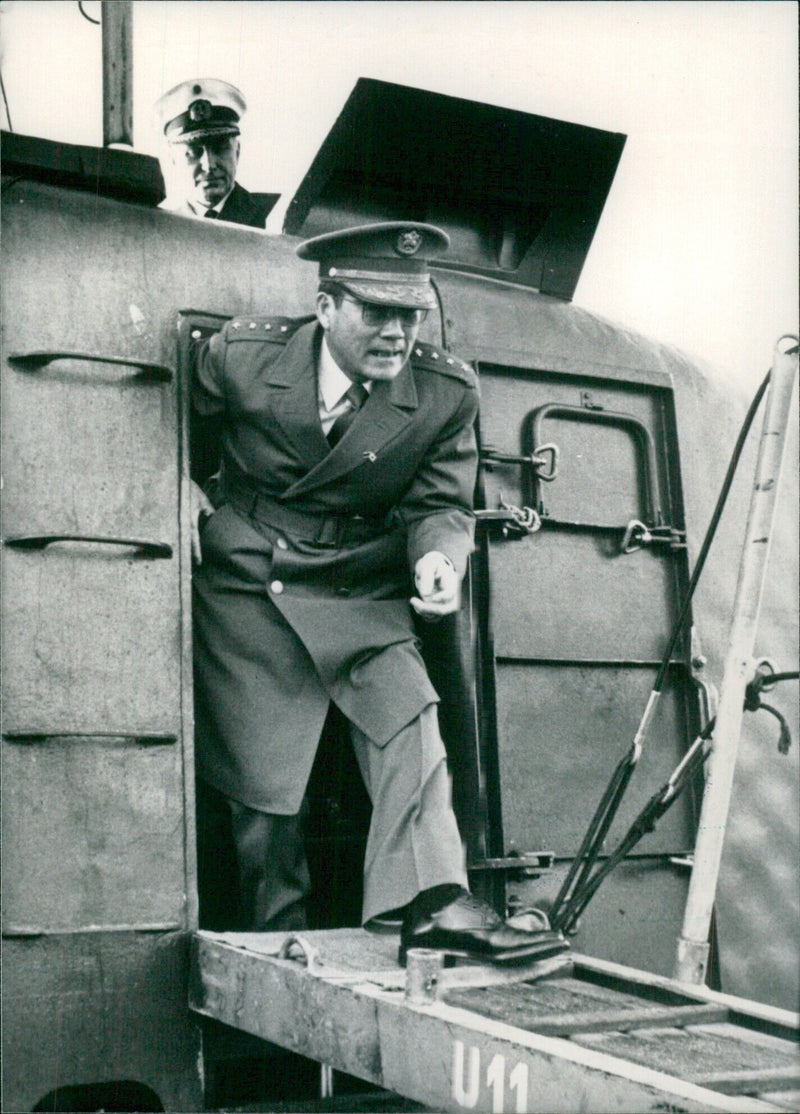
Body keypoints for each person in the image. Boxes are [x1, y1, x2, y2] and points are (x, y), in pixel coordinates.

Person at [190, 221, 563, 965]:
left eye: (411, 313)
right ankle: (275, 942)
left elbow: (442, 505)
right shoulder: (243, 356)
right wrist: (177, 484)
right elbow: (175, 419)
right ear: (327, 308)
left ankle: (428, 903)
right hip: (250, 582)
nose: (397, 333)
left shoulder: (444, 393)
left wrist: (439, 561)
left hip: (363, 581)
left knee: (410, 719)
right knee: (264, 798)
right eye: (377, 313)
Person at [153, 78, 277, 228]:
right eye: (193, 152)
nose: (209, 165)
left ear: (237, 152)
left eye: (219, 148)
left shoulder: (274, 217)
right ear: (173, 161)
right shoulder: (165, 229)